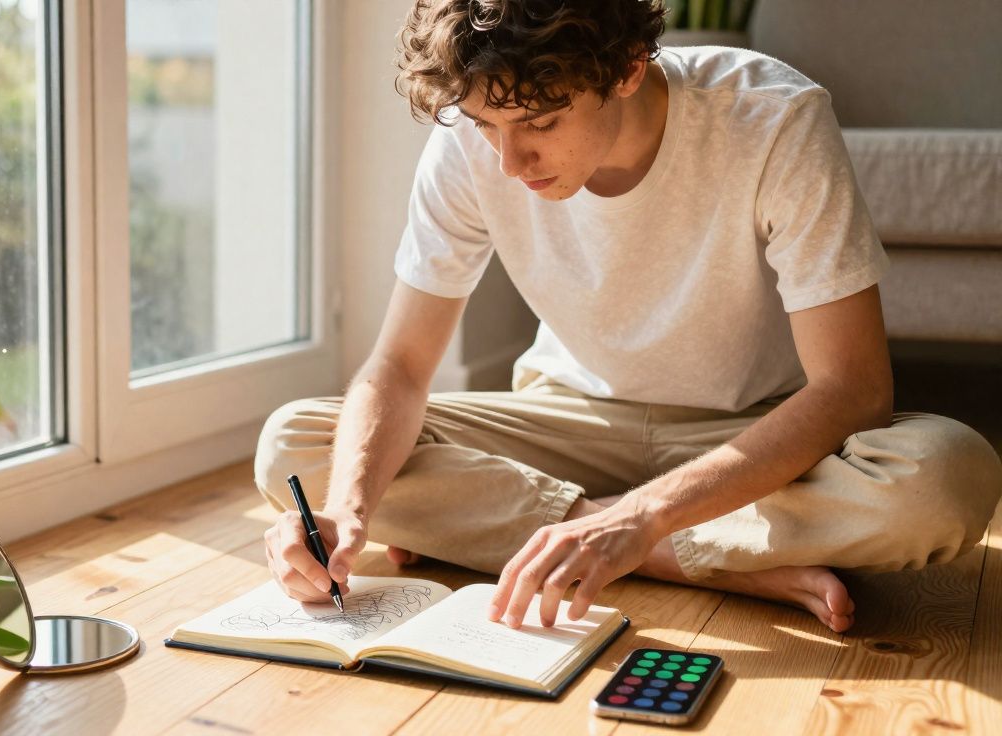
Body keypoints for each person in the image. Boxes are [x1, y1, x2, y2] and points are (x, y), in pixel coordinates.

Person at [253, 0, 1002, 635]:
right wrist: (348, 513)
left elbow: (853, 389)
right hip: (569, 425)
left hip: (749, 432)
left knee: (943, 479)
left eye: (541, 121)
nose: (509, 162)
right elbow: (401, 365)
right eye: (487, 127)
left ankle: (562, 533)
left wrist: (638, 518)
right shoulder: (474, 146)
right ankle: (708, 557)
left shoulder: (774, 118)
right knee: (297, 443)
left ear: (627, 69)